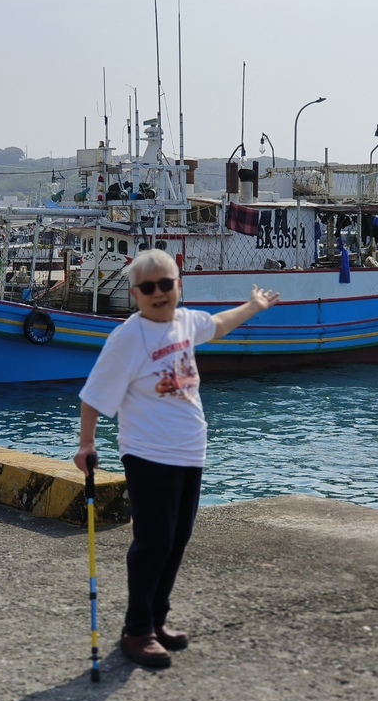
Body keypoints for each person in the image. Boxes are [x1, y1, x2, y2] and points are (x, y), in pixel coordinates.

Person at [74, 249, 280, 669]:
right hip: (148, 454)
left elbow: (219, 325)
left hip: (190, 452)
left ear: (178, 287)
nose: (158, 293)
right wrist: (86, 443)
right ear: (135, 294)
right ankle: (137, 630)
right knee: (154, 541)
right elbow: (94, 394)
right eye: (148, 287)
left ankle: (156, 618)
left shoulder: (186, 323)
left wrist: (254, 306)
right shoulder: (128, 339)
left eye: (166, 284)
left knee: (178, 538)